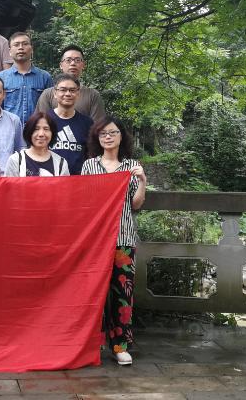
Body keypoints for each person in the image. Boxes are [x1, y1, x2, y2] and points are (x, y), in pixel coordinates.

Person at [81, 117, 147, 367]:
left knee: (122, 295)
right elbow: (85, 202)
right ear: (97, 138)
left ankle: (120, 346)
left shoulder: (131, 166)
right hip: (96, 240)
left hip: (123, 237)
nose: (108, 137)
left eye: (113, 133)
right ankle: (93, 344)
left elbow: (136, 204)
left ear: (121, 136)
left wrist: (142, 181)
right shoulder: (90, 166)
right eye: (103, 134)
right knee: (93, 293)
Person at [36, 45, 106, 123]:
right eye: (68, 60)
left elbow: (98, 126)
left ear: (83, 65)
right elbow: (41, 124)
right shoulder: (48, 94)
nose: (73, 63)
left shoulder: (92, 95)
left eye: (77, 60)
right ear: (61, 65)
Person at [0, 31, 53, 124]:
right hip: (10, 128)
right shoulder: (1, 78)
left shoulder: (45, 77)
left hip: (37, 129)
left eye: (25, 44)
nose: (21, 47)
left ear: (32, 49)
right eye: (16, 45)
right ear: (10, 51)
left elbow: (51, 107)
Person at [47, 73, 93, 175]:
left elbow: (91, 155)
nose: (68, 94)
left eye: (72, 90)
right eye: (63, 90)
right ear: (55, 93)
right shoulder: (44, 120)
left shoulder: (87, 123)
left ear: (78, 94)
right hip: (49, 179)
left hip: (78, 180)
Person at [4, 111, 69, 177]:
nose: (41, 134)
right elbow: (9, 184)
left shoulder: (61, 163)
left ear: (52, 133)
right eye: (36, 129)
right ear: (29, 131)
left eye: (46, 129)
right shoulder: (16, 160)